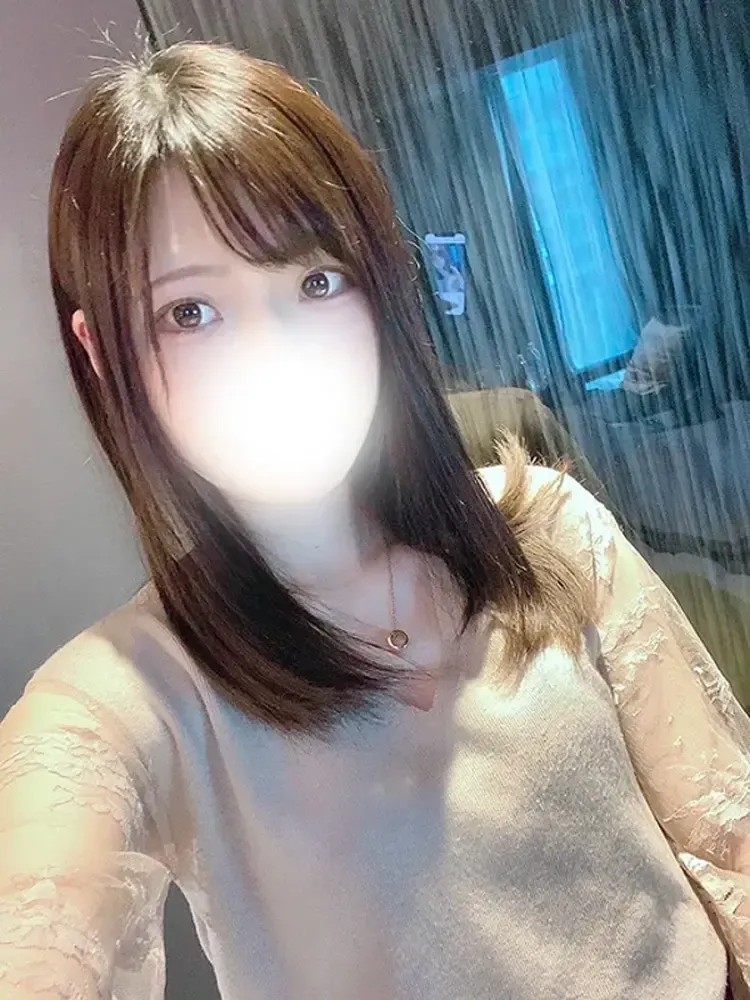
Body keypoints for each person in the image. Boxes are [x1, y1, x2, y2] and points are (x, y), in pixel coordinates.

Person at [0, 40, 747, 1000]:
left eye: (316, 283)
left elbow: (729, 844)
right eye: (189, 313)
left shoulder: (552, 530)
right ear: (103, 354)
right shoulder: (130, 693)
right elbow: (43, 913)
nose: (273, 354)